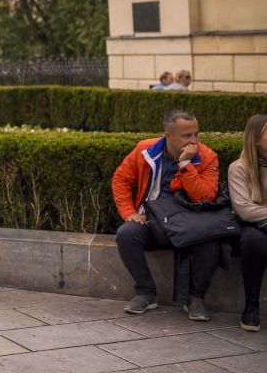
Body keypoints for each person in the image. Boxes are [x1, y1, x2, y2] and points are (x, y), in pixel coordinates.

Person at [111, 110, 221, 320]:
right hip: (153, 221)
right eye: (187, 135)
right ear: (168, 135)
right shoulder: (145, 150)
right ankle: (146, 292)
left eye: (196, 134)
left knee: (212, 241)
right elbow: (120, 179)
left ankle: (196, 298)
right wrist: (129, 213)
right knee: (126, 234)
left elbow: (206, 197)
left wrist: (186, 165)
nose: (194, 140)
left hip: (191, 225)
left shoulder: (207, 157)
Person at [228, 114, 267, 332]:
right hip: (247, 227)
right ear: (255, 138)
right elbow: (244, 210)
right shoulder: (239, 168)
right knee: (255, 242)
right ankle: (251, 307)